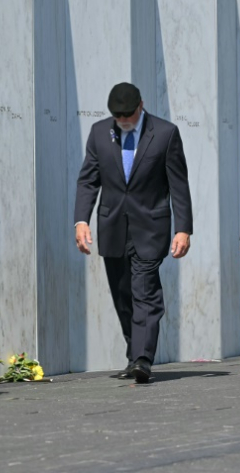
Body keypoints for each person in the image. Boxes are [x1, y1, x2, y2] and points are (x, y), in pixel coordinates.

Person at [74, 82, 193, 384]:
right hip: (112, 227)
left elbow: (178, 185)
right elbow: (89, 180)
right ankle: (134, 353)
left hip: (150, 228)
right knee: (123, 296)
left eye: (128, 113)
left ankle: (143, 359)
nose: (124, 119)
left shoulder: (165, 134)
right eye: (118, 115)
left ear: (142, 105)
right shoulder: (100, 133)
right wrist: (81, 221)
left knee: (145, 293)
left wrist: (183, 229)